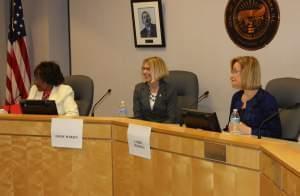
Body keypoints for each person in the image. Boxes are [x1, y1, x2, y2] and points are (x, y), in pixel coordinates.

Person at [226, 56, 281, 138]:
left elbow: (276, 134)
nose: (231, 76)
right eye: (232, 72)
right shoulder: (236, 97)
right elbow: (233, 126)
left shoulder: (267, 100)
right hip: (237, 143)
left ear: (247, 73)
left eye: (235, 72)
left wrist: (249, 131)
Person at [133, 56, 177, 123]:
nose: (144, 72)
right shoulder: (139, 88)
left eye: (148, 69)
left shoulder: (170, 90)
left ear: (158, 71)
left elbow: (171, 118)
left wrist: (157, 131)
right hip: (144, 130)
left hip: (163, 130)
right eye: (143, 69)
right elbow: (137, 116)